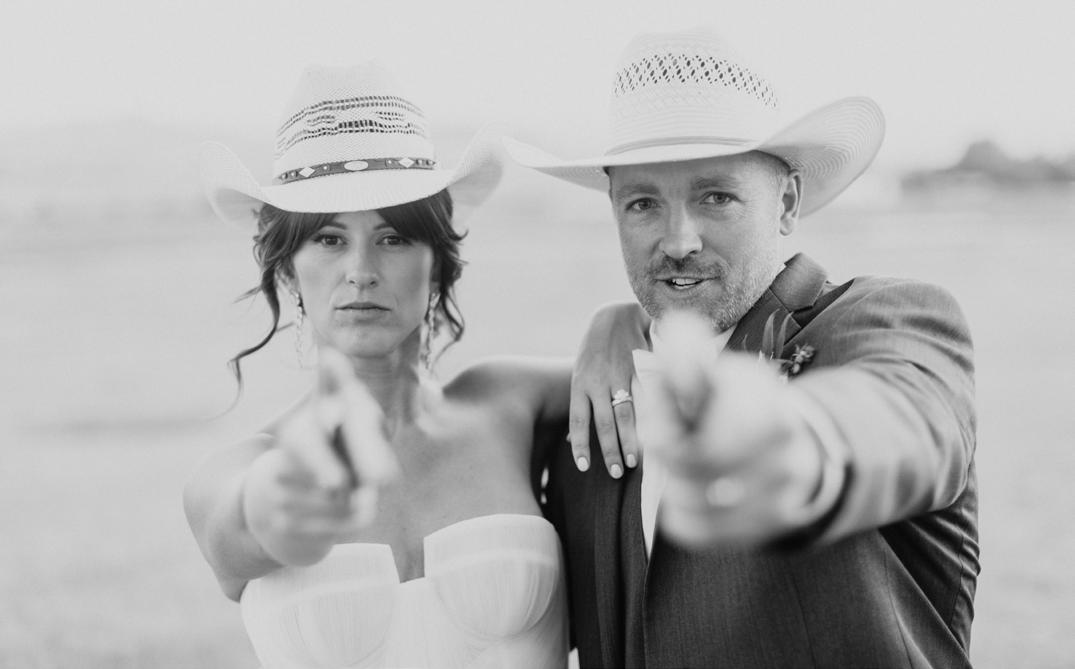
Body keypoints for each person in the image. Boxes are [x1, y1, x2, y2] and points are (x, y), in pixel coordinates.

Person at [507, 28, 979, 668]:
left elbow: (905, 423)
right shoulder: (594, 409)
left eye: (717, 197)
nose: (679, 241)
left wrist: (795, 444)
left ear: (786, 203)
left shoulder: (895, 319)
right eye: (643, 203)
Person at [184, 62, 622, 668]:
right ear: (288, 270)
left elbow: (650, 367)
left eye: (393, 238)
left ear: (437, 264)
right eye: (329, 239)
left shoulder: (509, 404)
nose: (361, 271)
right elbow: (232, 534)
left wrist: (613, 322)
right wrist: (274, 503)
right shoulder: (245, 467)